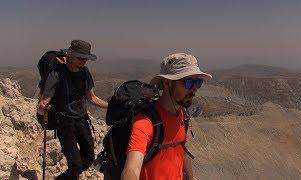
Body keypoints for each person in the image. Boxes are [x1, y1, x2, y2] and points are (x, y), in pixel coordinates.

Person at [121, 53, 212, 180]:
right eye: (189, 83)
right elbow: (131, 169)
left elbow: (182, 152)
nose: (194, 89)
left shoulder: (183, 115)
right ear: (167, 83)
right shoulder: (145, 123)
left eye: (198, 82)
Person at [37, 40, 108, 180]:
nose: (84, 61)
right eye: (81, 58)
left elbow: (91, 97)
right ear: (70, 55)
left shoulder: (84, 73)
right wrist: (41, 109)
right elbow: (45, 100)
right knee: (75, 165)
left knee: (88, 159)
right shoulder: (56, 74)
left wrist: (110, 106)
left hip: (82, 120)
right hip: (65, 123)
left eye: (86, 58)